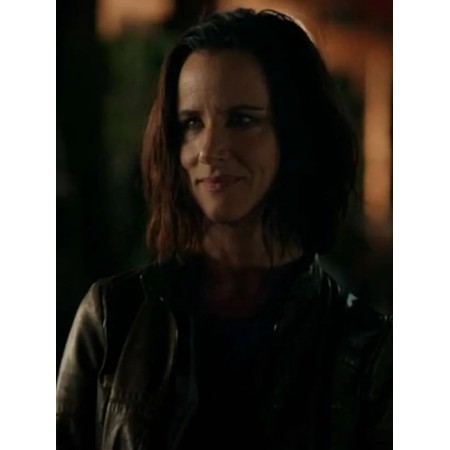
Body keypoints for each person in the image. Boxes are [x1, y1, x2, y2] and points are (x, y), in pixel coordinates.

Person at [56, 8, 392, 450]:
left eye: (242, 119)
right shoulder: (113, 318)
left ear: (295, 131)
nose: (210, 149)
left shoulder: (367, 353)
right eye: (191, 123)